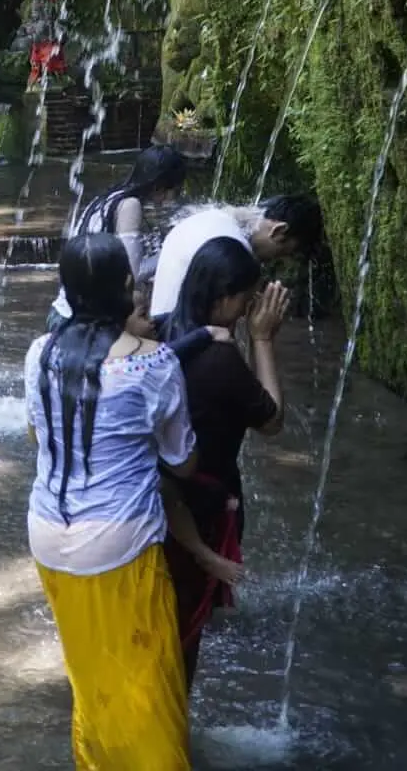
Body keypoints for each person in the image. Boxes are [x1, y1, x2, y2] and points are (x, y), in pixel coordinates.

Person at [25, 233, 196, 770]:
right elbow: (182, 461)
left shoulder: (41, 352)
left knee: (91, 671)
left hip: (48, 533)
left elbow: (37, 435)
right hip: (118, 545)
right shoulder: (154, 362)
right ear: (126, 286)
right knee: (146, 682)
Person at [160, 236, 288, 689]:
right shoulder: (219, 357)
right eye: (247, 300)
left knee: (158, 624)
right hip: (199, 508)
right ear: (222, 298)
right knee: (185, 633)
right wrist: (262, 339)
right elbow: (272, 419)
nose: (251, 309)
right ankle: (173, 721)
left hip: (153, 505)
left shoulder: (162, 332)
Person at [48, 143, 188, 331]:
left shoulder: (110, 197)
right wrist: (173, 249)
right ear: (159, 186)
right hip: (78, 325)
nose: (174, 198)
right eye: (176, 191)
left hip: (63, 312)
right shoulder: (130, 205)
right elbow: (133, 273)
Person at [150, 193, 322, 320]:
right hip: (179, 344)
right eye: (286, 252)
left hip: (161, 328)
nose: (279, 259)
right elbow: (223, 325)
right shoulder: (234, 250)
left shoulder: (212, 218)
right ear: (278, 231)